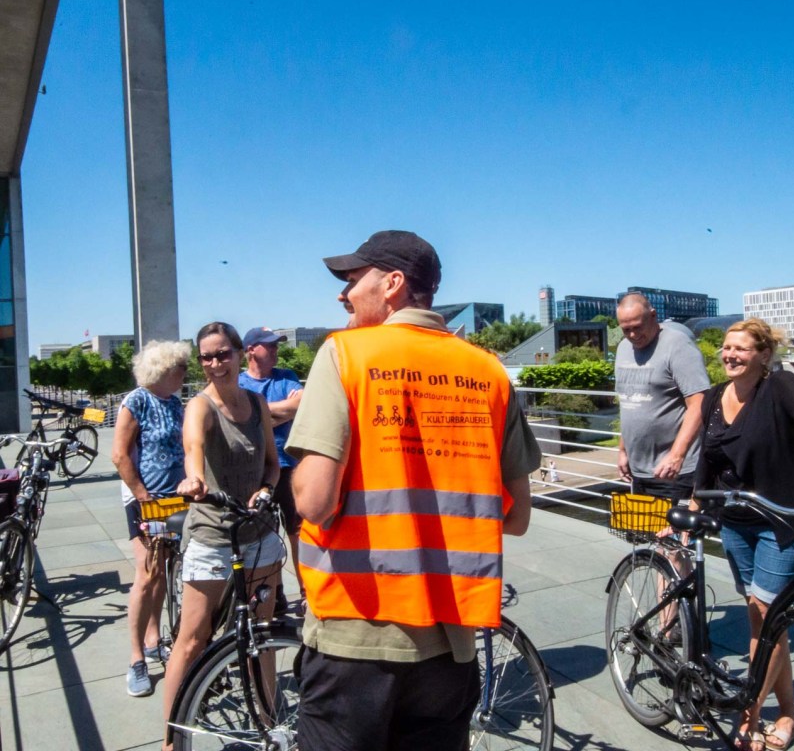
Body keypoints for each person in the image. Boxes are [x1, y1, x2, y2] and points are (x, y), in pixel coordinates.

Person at [286, 229, 541, 751]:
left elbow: (313, 500)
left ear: (393, 284)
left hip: (355, 631)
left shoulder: (345, 355)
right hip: (451, 642)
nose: (343, 294)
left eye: (353, 280)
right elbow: (516, 517)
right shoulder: (488, 371)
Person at [161, 322, 284, 735]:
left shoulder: (256, 403)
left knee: (262, 633)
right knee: (193, 639)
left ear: (238, 354)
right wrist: (194, 479)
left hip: (259, 533)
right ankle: (172, 737)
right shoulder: (201, 406)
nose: (215, 363)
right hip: (213, 535)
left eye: (222, 354)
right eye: (207, 357)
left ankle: (268, 722)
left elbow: (272, 464)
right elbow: (193, 447)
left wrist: (266, 489)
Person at [694, 319, 794, 751]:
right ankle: (789, 712)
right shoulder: (715, 397)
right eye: (726, 347)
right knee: (762, 620)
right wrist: (695, 504)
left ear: (763, 355)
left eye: (740, 348)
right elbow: (708, 458)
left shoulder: (780, 388)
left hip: (781, 522)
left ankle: (748, 714)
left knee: (767, 614)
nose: (729, 354)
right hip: (736, 521)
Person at [111, 340, 191, 697]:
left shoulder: (174, 403)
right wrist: (142, 496)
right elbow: (119, 455)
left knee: (163, 570)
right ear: (163, 370)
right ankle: (136, 658)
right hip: (145, 500)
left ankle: (154, 638)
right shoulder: (137, 401)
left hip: (174, 499)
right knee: (146, 575)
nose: (185, 374)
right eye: (180, 368)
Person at [615, 293, 710, 504]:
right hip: (638, 471)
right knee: (645, 527)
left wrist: (677, 455)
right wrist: (623, 450)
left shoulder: (677, 345)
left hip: (675, 472)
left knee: (674, 526)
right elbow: (628, 404)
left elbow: (699, 403)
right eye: (626, 329)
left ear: (653, 315)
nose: (633, 335)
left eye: (637, 327)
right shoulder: (623, 349)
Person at [239, 326, 304, 613]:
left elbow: (301, 405)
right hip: (256, 470)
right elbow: (239, 417)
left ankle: (306, 591)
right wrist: (281, 412)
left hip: (289, 466)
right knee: (264, 536)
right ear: (251, 350)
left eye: (277, 345)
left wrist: (259, 415)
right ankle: (273, 594)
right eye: (269, 345)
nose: (276, 350)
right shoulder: (238, 382)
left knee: (299, 532)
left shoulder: (287, 376)